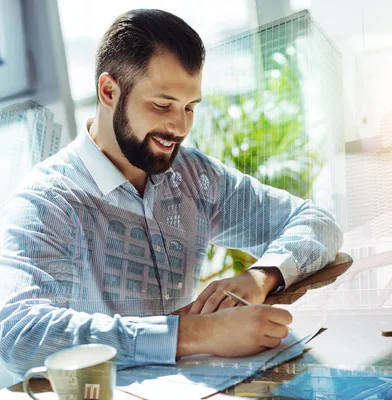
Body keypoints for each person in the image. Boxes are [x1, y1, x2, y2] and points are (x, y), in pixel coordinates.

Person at [0, 9, 343, 378]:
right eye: (162, 105)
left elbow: (317, 222)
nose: (179, 127)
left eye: (190, 108)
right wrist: (194, 334)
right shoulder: (47, 201)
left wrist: (261, 277)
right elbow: (16, 334)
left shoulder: (193, 175)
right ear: (108, 91)